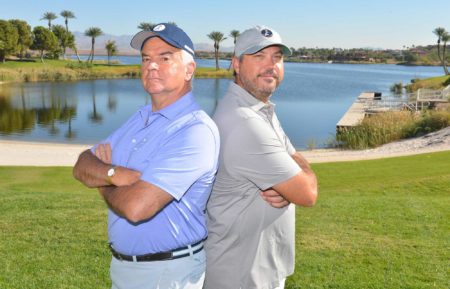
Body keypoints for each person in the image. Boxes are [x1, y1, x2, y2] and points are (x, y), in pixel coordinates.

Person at [73, 23, 219, 289]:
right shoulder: (140, 118)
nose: (152, 66)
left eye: (165, 58)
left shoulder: (196, 131)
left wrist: (103, 180)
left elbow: (136, 208)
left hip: (166, 274)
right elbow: (82, 164)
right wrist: (116, 174)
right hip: (127, 268)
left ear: (189, 70)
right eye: (146, 59)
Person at [204, 25, 318, 289]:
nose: (271, 65)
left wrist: (288, 179)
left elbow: (294, 156)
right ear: (236, 64)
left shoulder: (259, 109)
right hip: (241, 277)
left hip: (258, 270)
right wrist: (299, 178)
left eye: (277, 58)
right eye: (259, 56)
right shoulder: (245, 122)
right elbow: (307, 193)